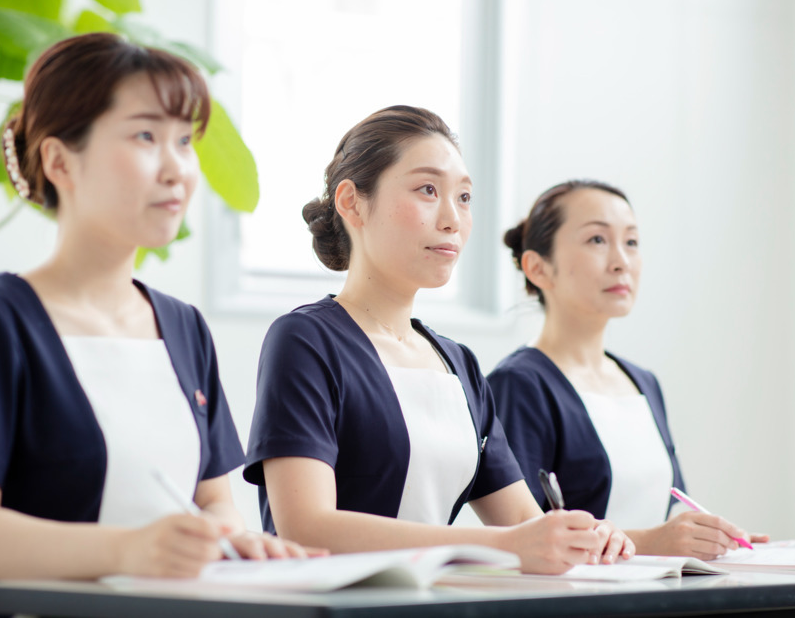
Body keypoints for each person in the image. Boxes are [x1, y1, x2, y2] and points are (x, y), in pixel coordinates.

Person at [0, 33, 309, 614]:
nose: (177, 167)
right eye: (146, 135)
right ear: (59, 161)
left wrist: (234, 541)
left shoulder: (182, 327)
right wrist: (128, 550)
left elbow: (214, 503)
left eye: (185, 140)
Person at [242, 106, 633, 574]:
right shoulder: (307, 341)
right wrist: (508, 544)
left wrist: (581, 536)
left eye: (464, 197)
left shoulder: (457, 363)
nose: (452, 219)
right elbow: (305, 529)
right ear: (351, 203)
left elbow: (526, 526)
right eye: (428, 190)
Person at [488, 180, 767, 560]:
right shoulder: (520, 384)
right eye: (597, 241)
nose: (621, 261)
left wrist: (711, 539)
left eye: (631, 242)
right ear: (538, 268)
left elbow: (673, 507)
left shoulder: (643, 382)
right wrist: (654, 541)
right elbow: (524, 538)